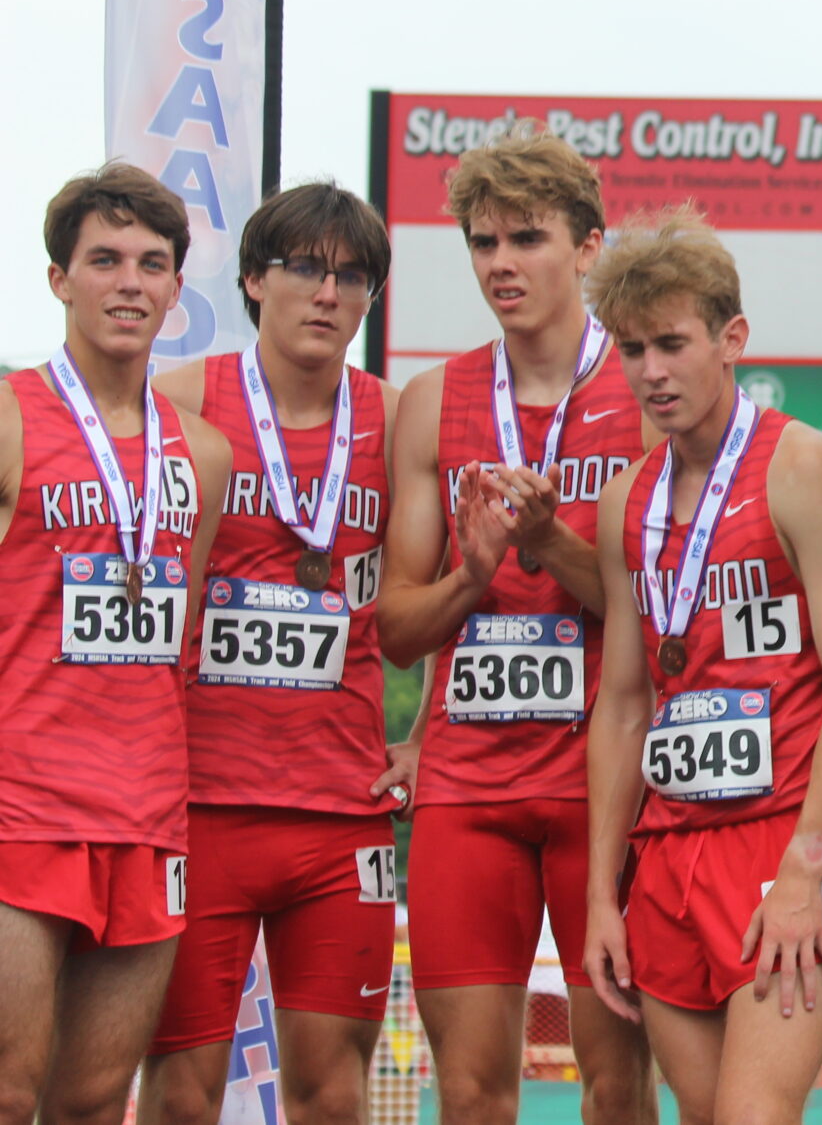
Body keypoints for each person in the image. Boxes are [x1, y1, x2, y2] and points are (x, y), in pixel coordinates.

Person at [574, 208, 822, 1119]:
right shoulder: (625, 501)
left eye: (672, 343)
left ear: (732, 338)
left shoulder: (801, 466)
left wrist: (804, 863)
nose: (652, 371)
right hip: (665, 856)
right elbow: (625, 705)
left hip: (778, 842)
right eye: (632, 349)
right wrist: (604, 894)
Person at [375, 125, 654, 1125]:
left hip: (602, 780)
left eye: (526, 239)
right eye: (483, 244)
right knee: (472, 1091)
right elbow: (397, 633)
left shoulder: (645, 386)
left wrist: (550, 548)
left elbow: (664, 609)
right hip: (467, 789)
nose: (501, 265)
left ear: (586, 247)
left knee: (617, 1082)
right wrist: (474, 575)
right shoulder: (431, 402)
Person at [138, 185, 409, 1125]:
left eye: (352, 275)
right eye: (304, 267)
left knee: (333, 1096)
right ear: (255, 278)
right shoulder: (177, 403)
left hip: (343, 815)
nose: (327, 292)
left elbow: (483, 586)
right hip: (198, 808)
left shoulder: (399, 420)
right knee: (179, 1096)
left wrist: (435, 737)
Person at [0, 165, 228, 1125]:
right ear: (60, 278)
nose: (129, 282)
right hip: (19, 806)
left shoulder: (202, 454)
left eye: (152, 263)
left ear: (178, 288)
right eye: (104, 260)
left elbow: (180, 634)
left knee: (94, 1103)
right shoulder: (9, 415)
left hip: (145, 813)